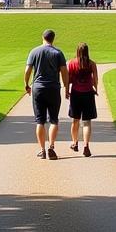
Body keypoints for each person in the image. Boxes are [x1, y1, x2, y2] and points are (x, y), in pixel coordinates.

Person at [24, 29, 69, 160]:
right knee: (54, 120)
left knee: (40, 121)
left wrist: (26, 84)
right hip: (53, 88)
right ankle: (51, 147)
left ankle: (42, 149)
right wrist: (66, 87)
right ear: (53, 39)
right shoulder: (58, 53)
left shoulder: (34, 51)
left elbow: (28, 70)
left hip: (38, 88)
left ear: (42, 37)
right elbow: (64, 72)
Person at [67, 42, 99, 157]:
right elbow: (95, 79)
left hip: (76, 93)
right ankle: (86, 145)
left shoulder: (72, 63)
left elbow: (68, 79)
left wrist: (66, 90)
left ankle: (75, 142)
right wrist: (96, 88)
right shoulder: (91, 64)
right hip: (88, 93)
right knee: (87, 122)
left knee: (75, 120)